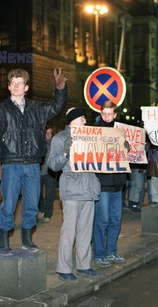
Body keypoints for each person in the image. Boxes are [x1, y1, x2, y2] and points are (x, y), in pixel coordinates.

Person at [0, 68, 67, 255]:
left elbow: (56, 107)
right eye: (12, 83)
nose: (16, 86)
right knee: (9, 204)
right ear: (9, 86)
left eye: (20, 83)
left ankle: (27, 239)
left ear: (26, 87)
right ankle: (3, 240)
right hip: (11, 164)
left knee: (31, 204)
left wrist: (60, 90)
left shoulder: (37, 109)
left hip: (32, 165)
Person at [48, 107, 101, 283]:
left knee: (86, 230)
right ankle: (63, 268)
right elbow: (53, 165)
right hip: (71, 189)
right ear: (73, 120)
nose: (85, 121)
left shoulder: (90, 137)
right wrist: (65, 152)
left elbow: (104, 158)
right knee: (69, 230)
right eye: (82, 118)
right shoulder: (60, 138)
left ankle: (84, 265)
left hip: (89, 187)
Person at [93, 101, 128, 268]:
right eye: (104, 113)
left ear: (115, 115)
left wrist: (126, 146)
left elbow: (129, 152)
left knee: (116, 219)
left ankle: (111, 251)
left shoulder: (122, 132)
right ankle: (99, 254)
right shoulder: (94, 131)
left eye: (110, 114)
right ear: (101, 113)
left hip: (118, 183)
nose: (107, 117)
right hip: (102, 183)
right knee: (102, 220)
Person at [37, 126, 56, 223]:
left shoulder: (55, 144)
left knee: (50, 194)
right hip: (39, 172)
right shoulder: (39, 143)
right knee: (38, 194)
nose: (48, 134)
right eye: (46, 132)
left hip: (50, 173)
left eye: (50, 132)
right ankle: (42, 209)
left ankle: (48, 213)